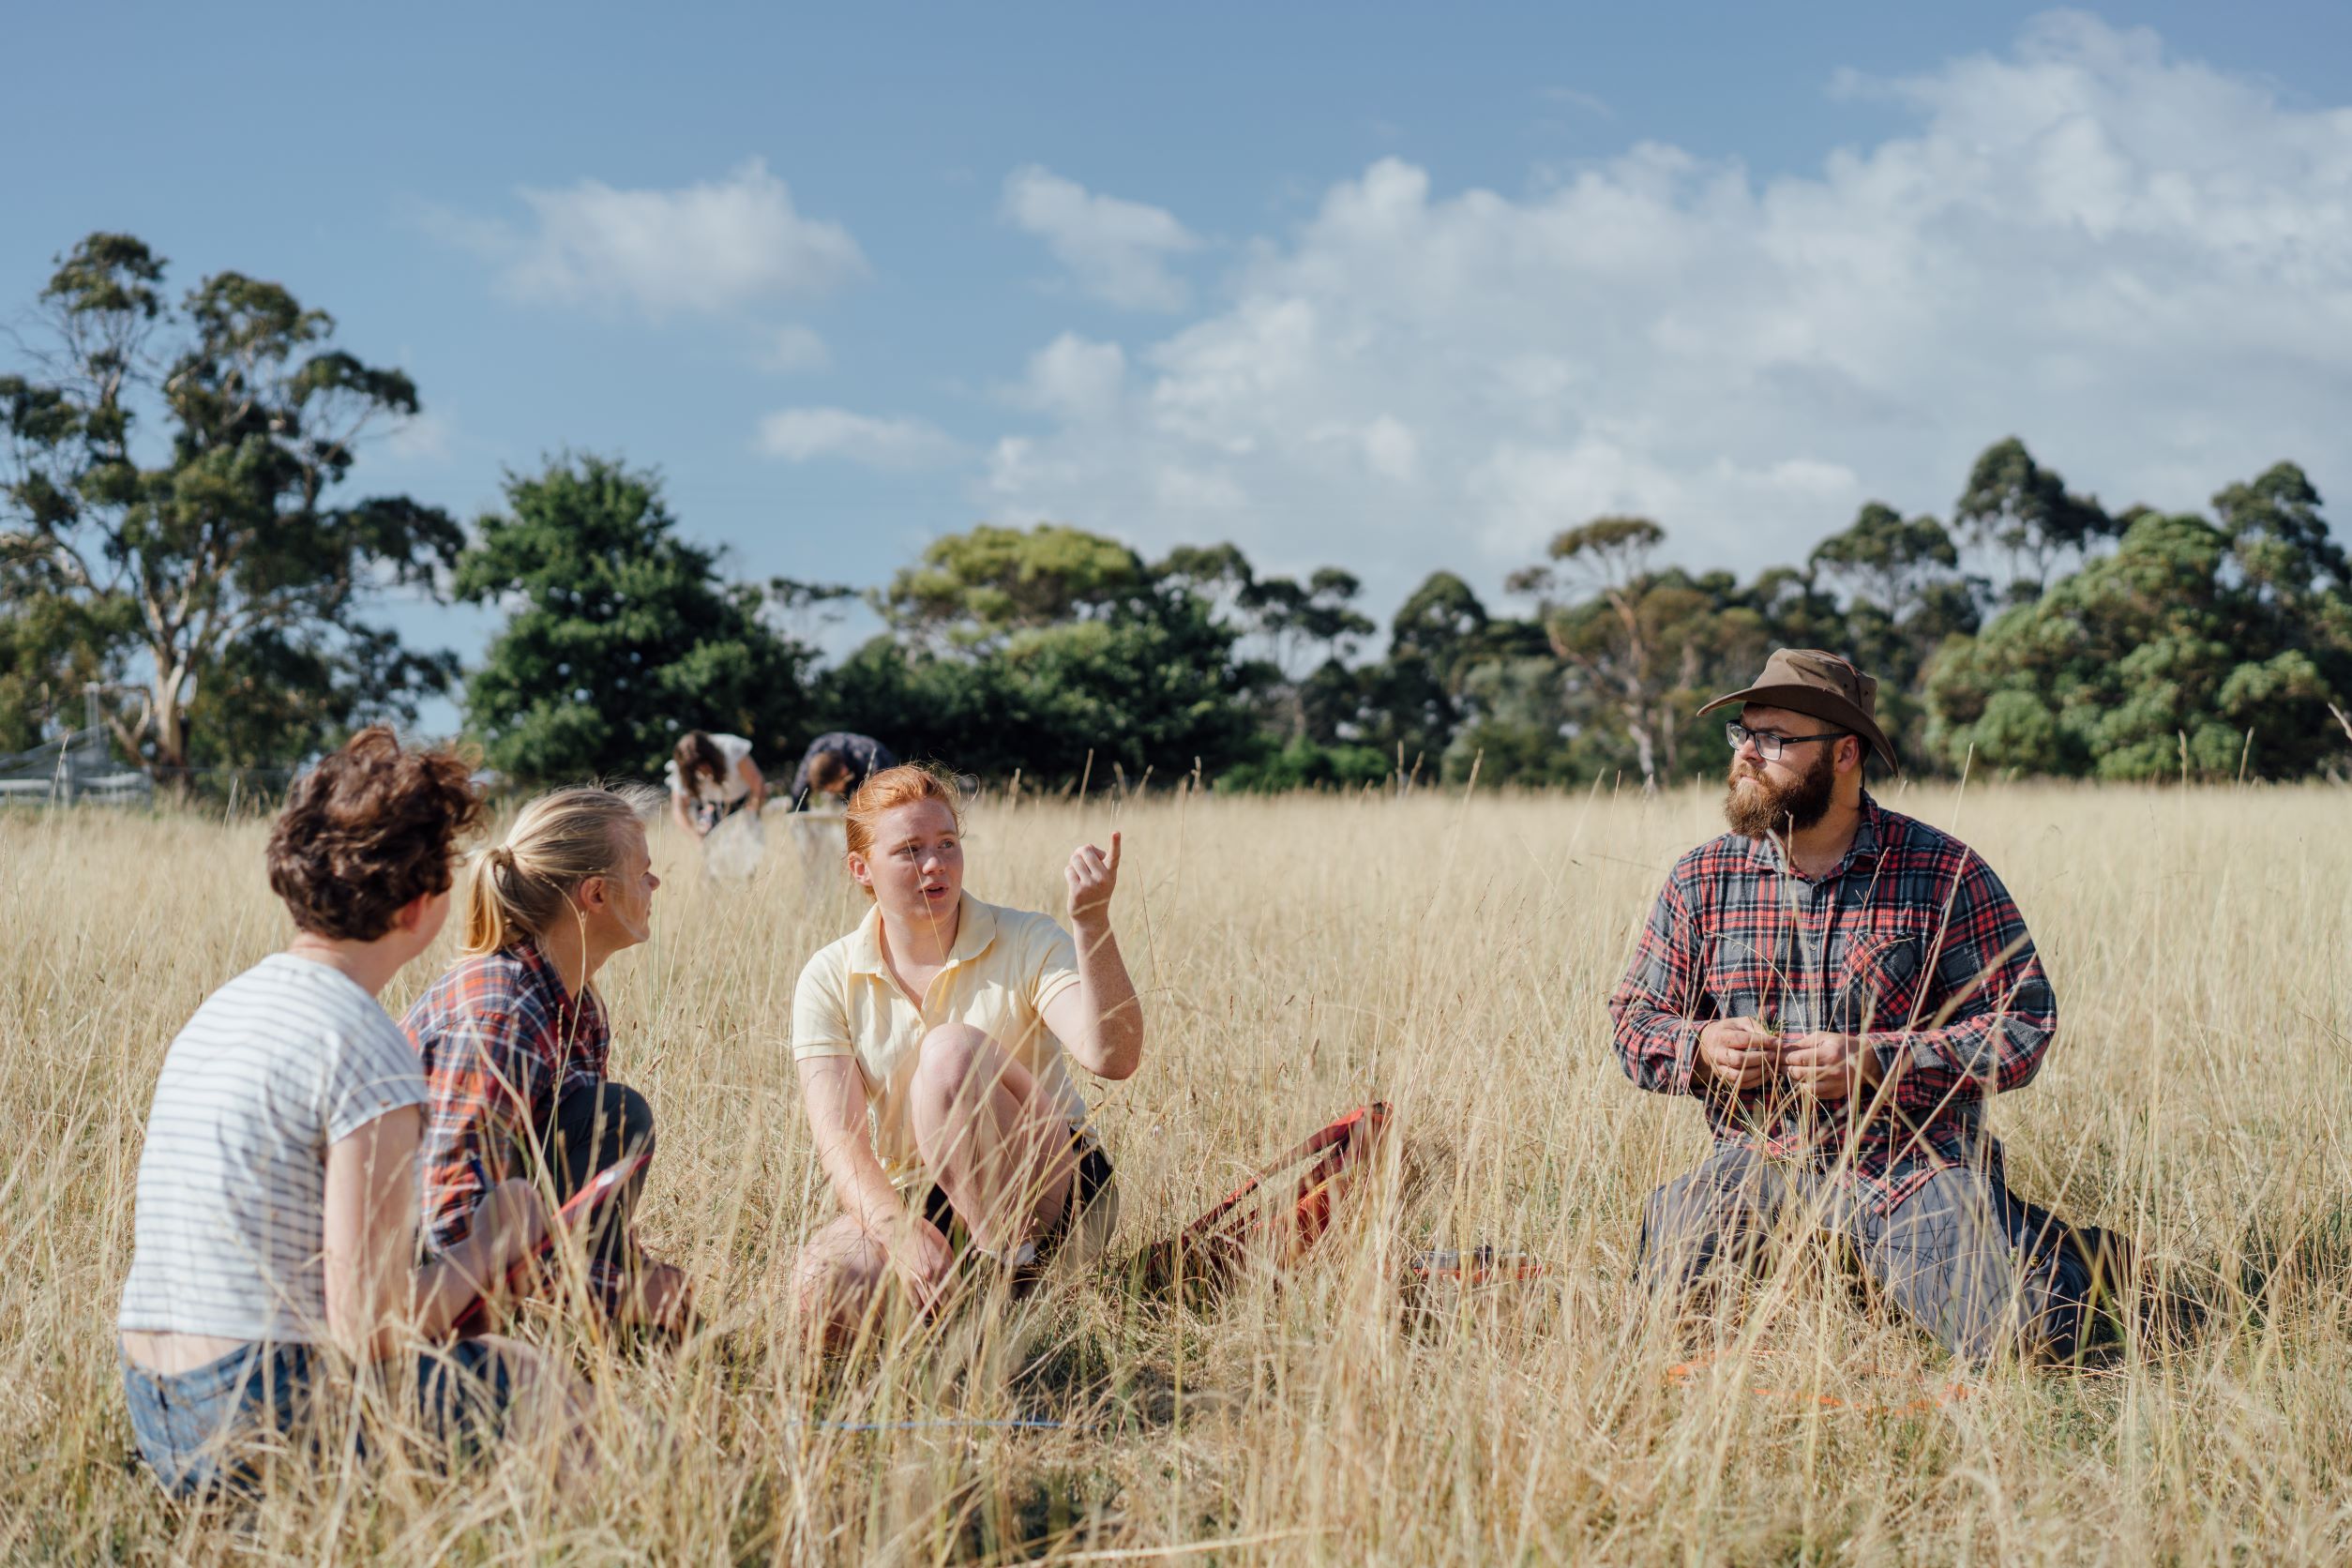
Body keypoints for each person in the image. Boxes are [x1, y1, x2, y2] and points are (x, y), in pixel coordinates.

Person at [117, 730, 580, 1499]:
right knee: (531, 1380)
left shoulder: (222, 1010)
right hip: (258, 1413)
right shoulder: (365, 1046)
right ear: (421, 906)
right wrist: (493, 1240)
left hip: (156, 1409)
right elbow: (369, 1328)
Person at [1609, 648, 2099, 1364]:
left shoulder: (1942, 872)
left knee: (2025, 1339)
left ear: (1843, 754)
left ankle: (2062, 1253)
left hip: (1914, 1170)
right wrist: (1702, 1047)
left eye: (1774, 738)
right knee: (1660, 1328)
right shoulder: (1701, 878)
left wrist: (1879, 1062)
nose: (1746, 754)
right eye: (1743, 734)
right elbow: (1635, 1022)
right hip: (1756, 1165)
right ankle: (1846, 1278)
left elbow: (2022, 1026)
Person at [788, 763, 1141, 1334]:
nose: (936, 864)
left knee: (950, 1054)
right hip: (922, 1196)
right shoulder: (827, 976)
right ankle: (931, 1346)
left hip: (1053, 1185)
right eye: (909, 851)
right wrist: (899, 1232)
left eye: (948, 844)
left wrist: (1092, 923)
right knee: (822, 1282)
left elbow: (1114, 1058)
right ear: (861, 870)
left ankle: (1004, 1296)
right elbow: (841, 1145)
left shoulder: (1027, 936)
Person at [404, 785, 690, 1331]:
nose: (654, 884)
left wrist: (634, 1272)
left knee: (614, 1117)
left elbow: (578, 1195)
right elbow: (452, 1228)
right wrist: (621, 1292)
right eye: (643, 872)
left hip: (500, 1258)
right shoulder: (500, 1012)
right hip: (413, 1291)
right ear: (596, 895)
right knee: (618, 1114)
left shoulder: (577, 1005)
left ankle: (588, 1332)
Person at [667, 730, 764, 838]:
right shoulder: (682, 769)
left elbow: (757, 782)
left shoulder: (731, 748)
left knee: (750, 840)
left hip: (743, 801)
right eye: (696, 769)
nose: (702, 772)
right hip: (710, 805)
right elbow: (678, 809)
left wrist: (751, 811)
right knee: (713, 845)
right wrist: (696, 838)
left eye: (704, 766)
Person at [785, 731, 897, 812]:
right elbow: (799, 791)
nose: (832, 793)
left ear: (844, 772)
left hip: (878, 762)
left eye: (833, 789)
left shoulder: (873, 760)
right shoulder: (815, 754)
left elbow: (885, 801)